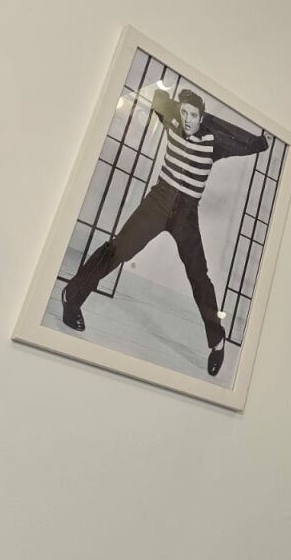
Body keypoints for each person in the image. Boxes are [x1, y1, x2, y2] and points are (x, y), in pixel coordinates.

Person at [61, 81, 268, 377]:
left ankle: (217, 341)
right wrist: (168, 98)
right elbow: (158, 97)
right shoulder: (172, 119)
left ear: (202, 118)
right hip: (158, 201)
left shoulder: (214, 141)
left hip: (186, 213)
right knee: (118, 250)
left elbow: (252, 145)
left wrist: (255, 138)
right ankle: (72, 296)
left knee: (199, 275)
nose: (188, 120)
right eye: (184, 113)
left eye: (194, 115)